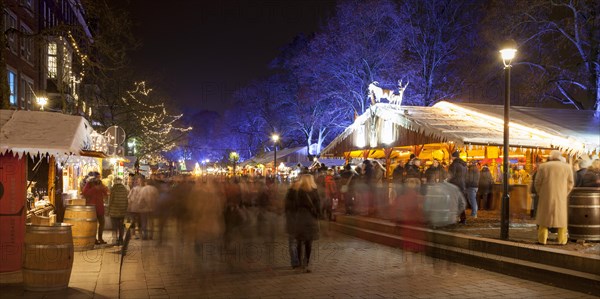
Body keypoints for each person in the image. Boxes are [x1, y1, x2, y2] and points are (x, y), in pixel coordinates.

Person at [534, 150, 574, 245]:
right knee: (561, 219)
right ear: (560, 157)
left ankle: (542, 239)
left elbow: (537, 182)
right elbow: (570, 183)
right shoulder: (567, 167)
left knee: (544, 218)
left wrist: (541, 192)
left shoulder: (543, 166)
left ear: (551, 157)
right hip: (561, 196)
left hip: (546, 195)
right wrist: (565, 192)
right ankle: (562, 240)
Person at [289, 174, 321, 273]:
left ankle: (298, 264)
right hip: (310, 218)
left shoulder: (298, 192)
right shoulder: (314, 192)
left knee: (299, 242)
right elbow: (318, 206)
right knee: (308, 242)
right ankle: (306, 264)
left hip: (300, 217)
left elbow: (294, 206)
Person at [82, 174, 109, 245]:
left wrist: (103, 188)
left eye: (99, 177)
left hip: (99, 207)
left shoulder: (100, 183)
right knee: (93, 224)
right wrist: (94, 188)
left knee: (102, 223)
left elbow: (106, 192)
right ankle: (94, 239)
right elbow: (85, 193)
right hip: (92, 208)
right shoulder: (89, 184)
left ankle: (100, 238)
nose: (98, 178)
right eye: (97, 177)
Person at [108, 177, 129, 246]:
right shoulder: (125, 189)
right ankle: (121, 239)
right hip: (122, 211)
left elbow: (110, 201)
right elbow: (127, 201)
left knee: (115, 226)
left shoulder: (113, 189)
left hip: (114, 211)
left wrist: (108, 210)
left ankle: (115, 240)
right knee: (121, 226)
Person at [447, 151, 467, 224]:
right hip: (462, 185)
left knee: (454, 202)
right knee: (460, 202)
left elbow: (451, 175)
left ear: (453, 157)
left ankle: (453, 218)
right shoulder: (464, 165)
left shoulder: (453, 165)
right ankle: (463, 218)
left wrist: (447, 182)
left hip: (455, 185)